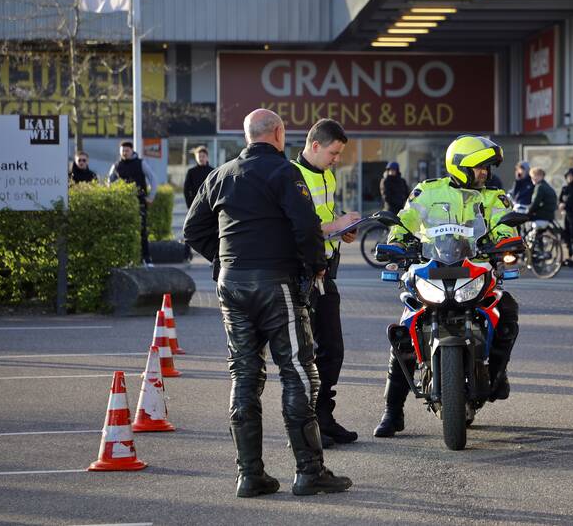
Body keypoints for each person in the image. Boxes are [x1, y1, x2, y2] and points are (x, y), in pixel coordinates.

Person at [183, 109, 351, 498]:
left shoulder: (220, 174)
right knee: (297, 371)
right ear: (278, 134)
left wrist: (225, 261)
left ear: (247, 136)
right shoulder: (284, 172)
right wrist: (314, 269)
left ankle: (250, 475)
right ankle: (310, 471)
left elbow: (193, 231)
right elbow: (306, 226)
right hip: (277, 283)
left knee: (244, 375)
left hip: (231, 285)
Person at [373, 135, 520, 438]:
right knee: (404, 331)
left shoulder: (493, 197)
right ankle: (392, 411)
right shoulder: (427, 192)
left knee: (507, 309)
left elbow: (505, 223)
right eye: (480, 168)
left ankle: (497, 373)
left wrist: (506, 240)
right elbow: (406, 221)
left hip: (474, 269)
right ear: (462, 166)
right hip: (433, 269)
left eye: (487, 168)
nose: (486, 173)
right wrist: (397, 243)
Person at [292, 119, 361, 447]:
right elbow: (297, 227)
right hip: (305, 276)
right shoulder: (293, 176)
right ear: (315, 145)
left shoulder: (326, 175)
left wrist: (342, 230)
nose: (337, 159)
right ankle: (312, 424)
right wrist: (335, 224)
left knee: (331, 350)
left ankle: (324, 416)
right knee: (316, 351)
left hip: (325, 271)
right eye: (333, 152)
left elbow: (324, 218)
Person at [107, 140, 156, 265]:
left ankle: (146, 258)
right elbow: (109, 182)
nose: (124, 153)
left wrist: (151, 196)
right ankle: (127, 259)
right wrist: (112, 196)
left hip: (140, 201)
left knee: (142, 230)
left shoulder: (140, 163)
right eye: (122, 150)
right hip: (124, 203)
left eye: (127, 150)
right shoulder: (117, 165)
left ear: (132, 151)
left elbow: (153, 178)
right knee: (124, 231)